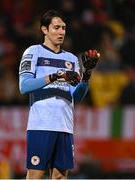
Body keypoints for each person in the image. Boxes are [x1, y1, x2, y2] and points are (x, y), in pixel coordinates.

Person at [19, 9, 100, 179]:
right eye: (56, 27)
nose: (61, 32)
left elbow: (77, 96)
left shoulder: (71, 59)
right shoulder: (33, 52)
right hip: (41, 125)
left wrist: (87, 76)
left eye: (63, 28)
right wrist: (56, 76)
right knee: (35, 175)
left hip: (64, 126)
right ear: (44, 30)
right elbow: (24, 86)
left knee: (60, 177)